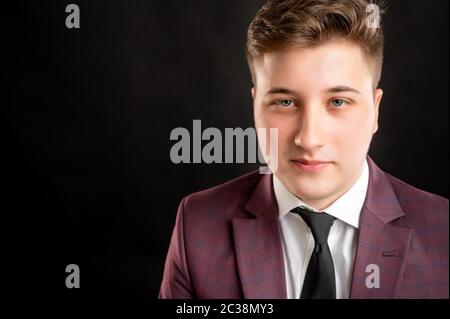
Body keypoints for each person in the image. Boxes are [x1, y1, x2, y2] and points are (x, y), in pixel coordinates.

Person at [159, 0, 448, 299]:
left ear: (375, 111)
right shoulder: (198, 225)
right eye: (285, 102)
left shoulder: (444, 233)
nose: (309, 139)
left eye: (337, 102)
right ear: (255, 105)